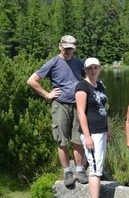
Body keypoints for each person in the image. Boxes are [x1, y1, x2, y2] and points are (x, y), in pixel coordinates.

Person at [27, 35, 88, 187]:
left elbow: (89, 79)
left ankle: (79, 170)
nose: (68, 51)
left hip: (77, 106)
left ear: (75, 48)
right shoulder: (53, 62)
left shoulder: (79, 63)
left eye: (71, 49)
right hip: (60, 105)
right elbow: (32, 81)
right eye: (66, 48)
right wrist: (47, 94)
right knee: (62, 140)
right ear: (60, 46)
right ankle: (67, 171)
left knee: (77, 139)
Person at [75, 57, 110, 198]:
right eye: (90, 68)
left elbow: (104, 108)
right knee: (95, 168)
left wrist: (108, 129)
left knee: (99, 166)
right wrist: (87, 136)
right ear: (85, 70)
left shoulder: (100, 85)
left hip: (101, 130)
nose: (93, 70)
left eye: (95, 67)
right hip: (92, 133)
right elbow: (80, 113)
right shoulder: (82, 86)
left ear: (99, 68)